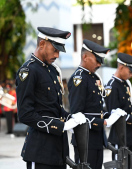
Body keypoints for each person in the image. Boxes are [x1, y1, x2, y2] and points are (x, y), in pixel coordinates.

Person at [16, 27, 83, 169]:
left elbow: (54, 108)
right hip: (40, 151)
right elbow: (25, 114)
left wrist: (71, 118)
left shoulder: (52, 70)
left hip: (58, 151)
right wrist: (60, 125)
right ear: (42, 45)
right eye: (55, 50)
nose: (57, 55)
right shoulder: (28, 71)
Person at [68, 39, 124, 169]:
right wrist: (102, 122)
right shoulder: (79, 78)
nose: (99, 64)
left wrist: (108, 115)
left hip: (97, 138)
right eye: (97, 60)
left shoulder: (93, 78)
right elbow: (77, 114)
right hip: (85, 140)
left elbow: (95, 107)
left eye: (100, 61)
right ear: (85, 57)